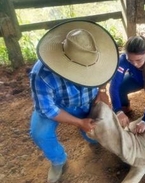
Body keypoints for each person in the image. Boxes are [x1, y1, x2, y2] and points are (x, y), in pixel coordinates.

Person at [29, 20, 118, 183]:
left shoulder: (99, 54)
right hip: (57, 105)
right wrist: (79, 122)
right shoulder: (41, 74)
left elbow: (106, 72)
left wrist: (102, 90)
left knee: (94, 129)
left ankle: (92, 139)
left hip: (86, 101)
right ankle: (58, 160)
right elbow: (48, 109)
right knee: (40, 134)